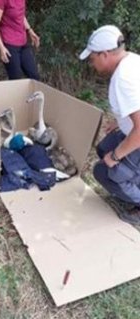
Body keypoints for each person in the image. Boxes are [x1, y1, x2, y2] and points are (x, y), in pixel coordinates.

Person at [83, 25, 140, 225]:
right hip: (133, 131)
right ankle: (131, 176)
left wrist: (116, 156)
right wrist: (121, 119)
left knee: (102, 170)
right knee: (102, 148)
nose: (91, 63)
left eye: (92, 58)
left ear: (105, 54)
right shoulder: (132, 60)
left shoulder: (123, 79)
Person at [0, 0, 41, 80]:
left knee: (34, 76)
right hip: (9, 44)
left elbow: (20, 15)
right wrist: (1, 48)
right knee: (16, 79)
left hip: (22, 42)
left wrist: (30, 31)